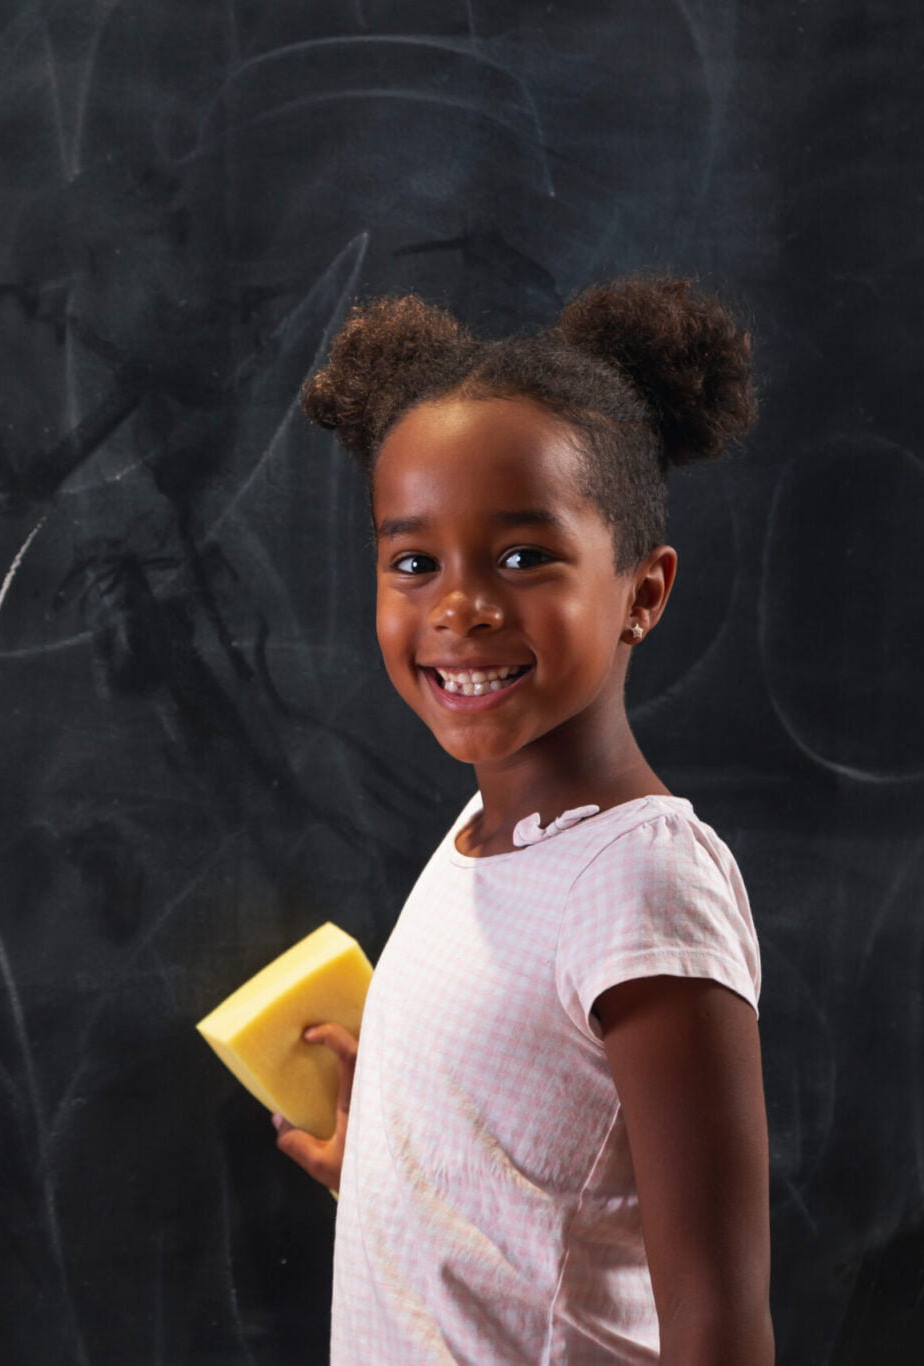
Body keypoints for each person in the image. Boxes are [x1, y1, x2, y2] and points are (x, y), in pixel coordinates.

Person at [274, 278, 772, 1364]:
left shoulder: (640, 884)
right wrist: (397, 1158)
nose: (457, 607)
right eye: (413, 562)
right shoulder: (480, 832)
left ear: (641, 591)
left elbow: (716, 1321)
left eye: (521, 556)